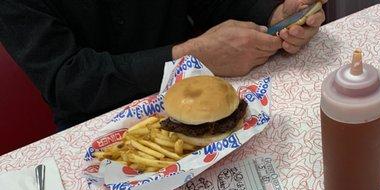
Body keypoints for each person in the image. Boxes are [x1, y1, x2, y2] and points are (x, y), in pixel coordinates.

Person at [0, 0, 326, 130]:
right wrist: (188, 53)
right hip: (97, 126)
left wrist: (276, 16)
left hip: (195, 98)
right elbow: (69, 82)